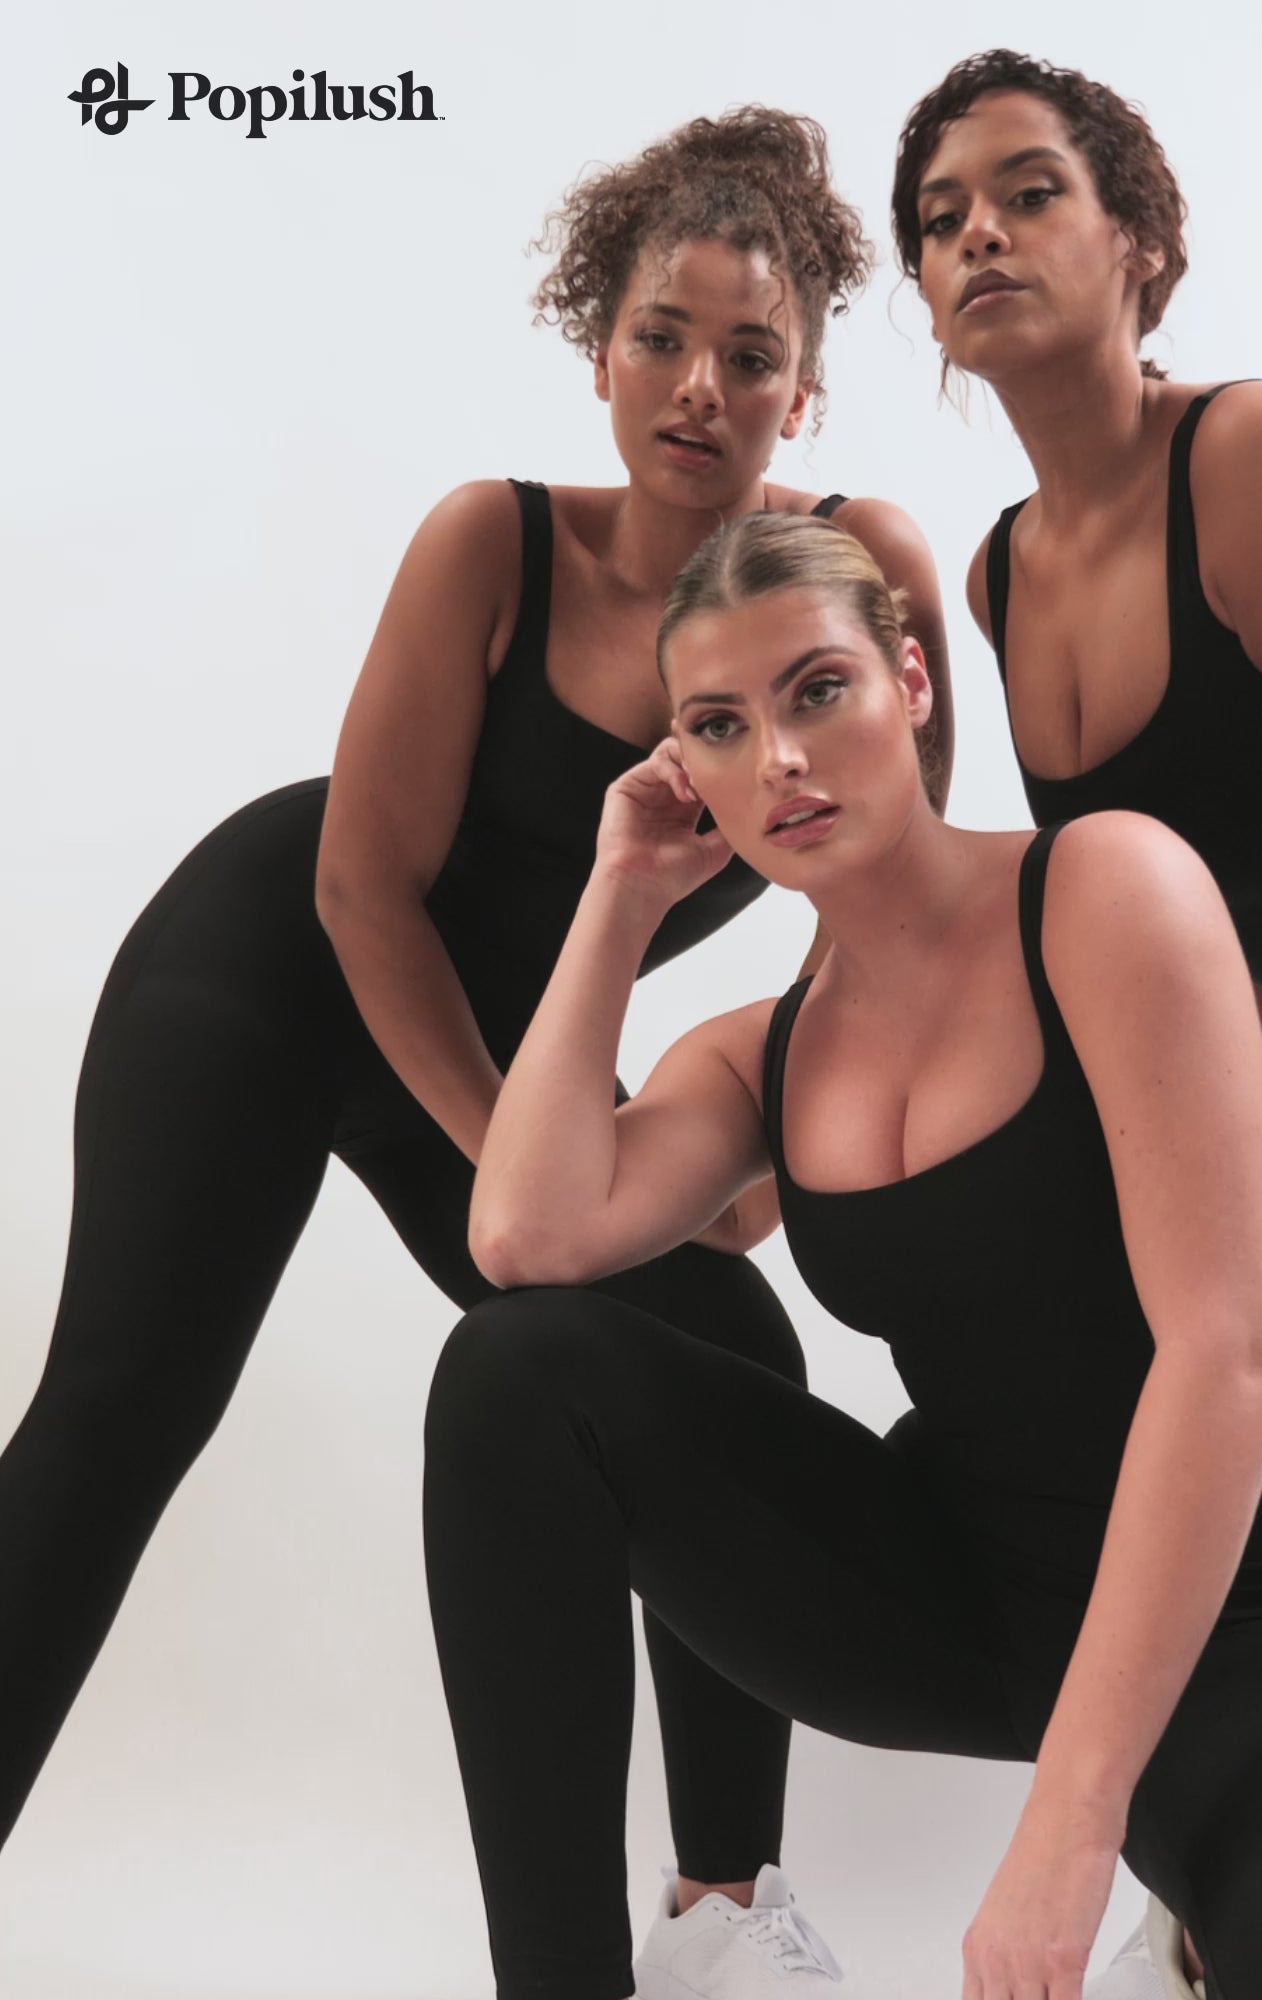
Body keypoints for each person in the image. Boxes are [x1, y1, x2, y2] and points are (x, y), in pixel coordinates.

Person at [0, 108, 951, 1995]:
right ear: (599, 349)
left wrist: (756, 1163)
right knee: (116, 1422)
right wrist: (542, 1179)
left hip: (502, 1047)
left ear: (808, 389)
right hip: (271, 969)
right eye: (662, 337)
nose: (701, 387)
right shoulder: (492, 542)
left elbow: (893, 906)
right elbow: (366, 892)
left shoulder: (849, 578)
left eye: (750, 352)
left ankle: (724, 1917)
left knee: (728, 1352)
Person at [421, 510, 1262, 2000]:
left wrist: (1073, 1821)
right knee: (518, 1374)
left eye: (817, 691)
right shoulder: (758, 1056)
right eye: (718, 727)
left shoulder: (1106, 891)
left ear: (912, 682)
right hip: (952, 1591)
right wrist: (619, 895)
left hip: (1234, 1618)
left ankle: (1191, 1928)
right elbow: (523, 1234)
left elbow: (1236, 1358)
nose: (779, 760)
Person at [888, 49, 1262, 1991]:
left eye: (1029, 190)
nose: (979, 234)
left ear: (1141, 239)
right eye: (940, 218)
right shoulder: (1002, 576)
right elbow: (1181, 920)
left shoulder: (1257, 461)